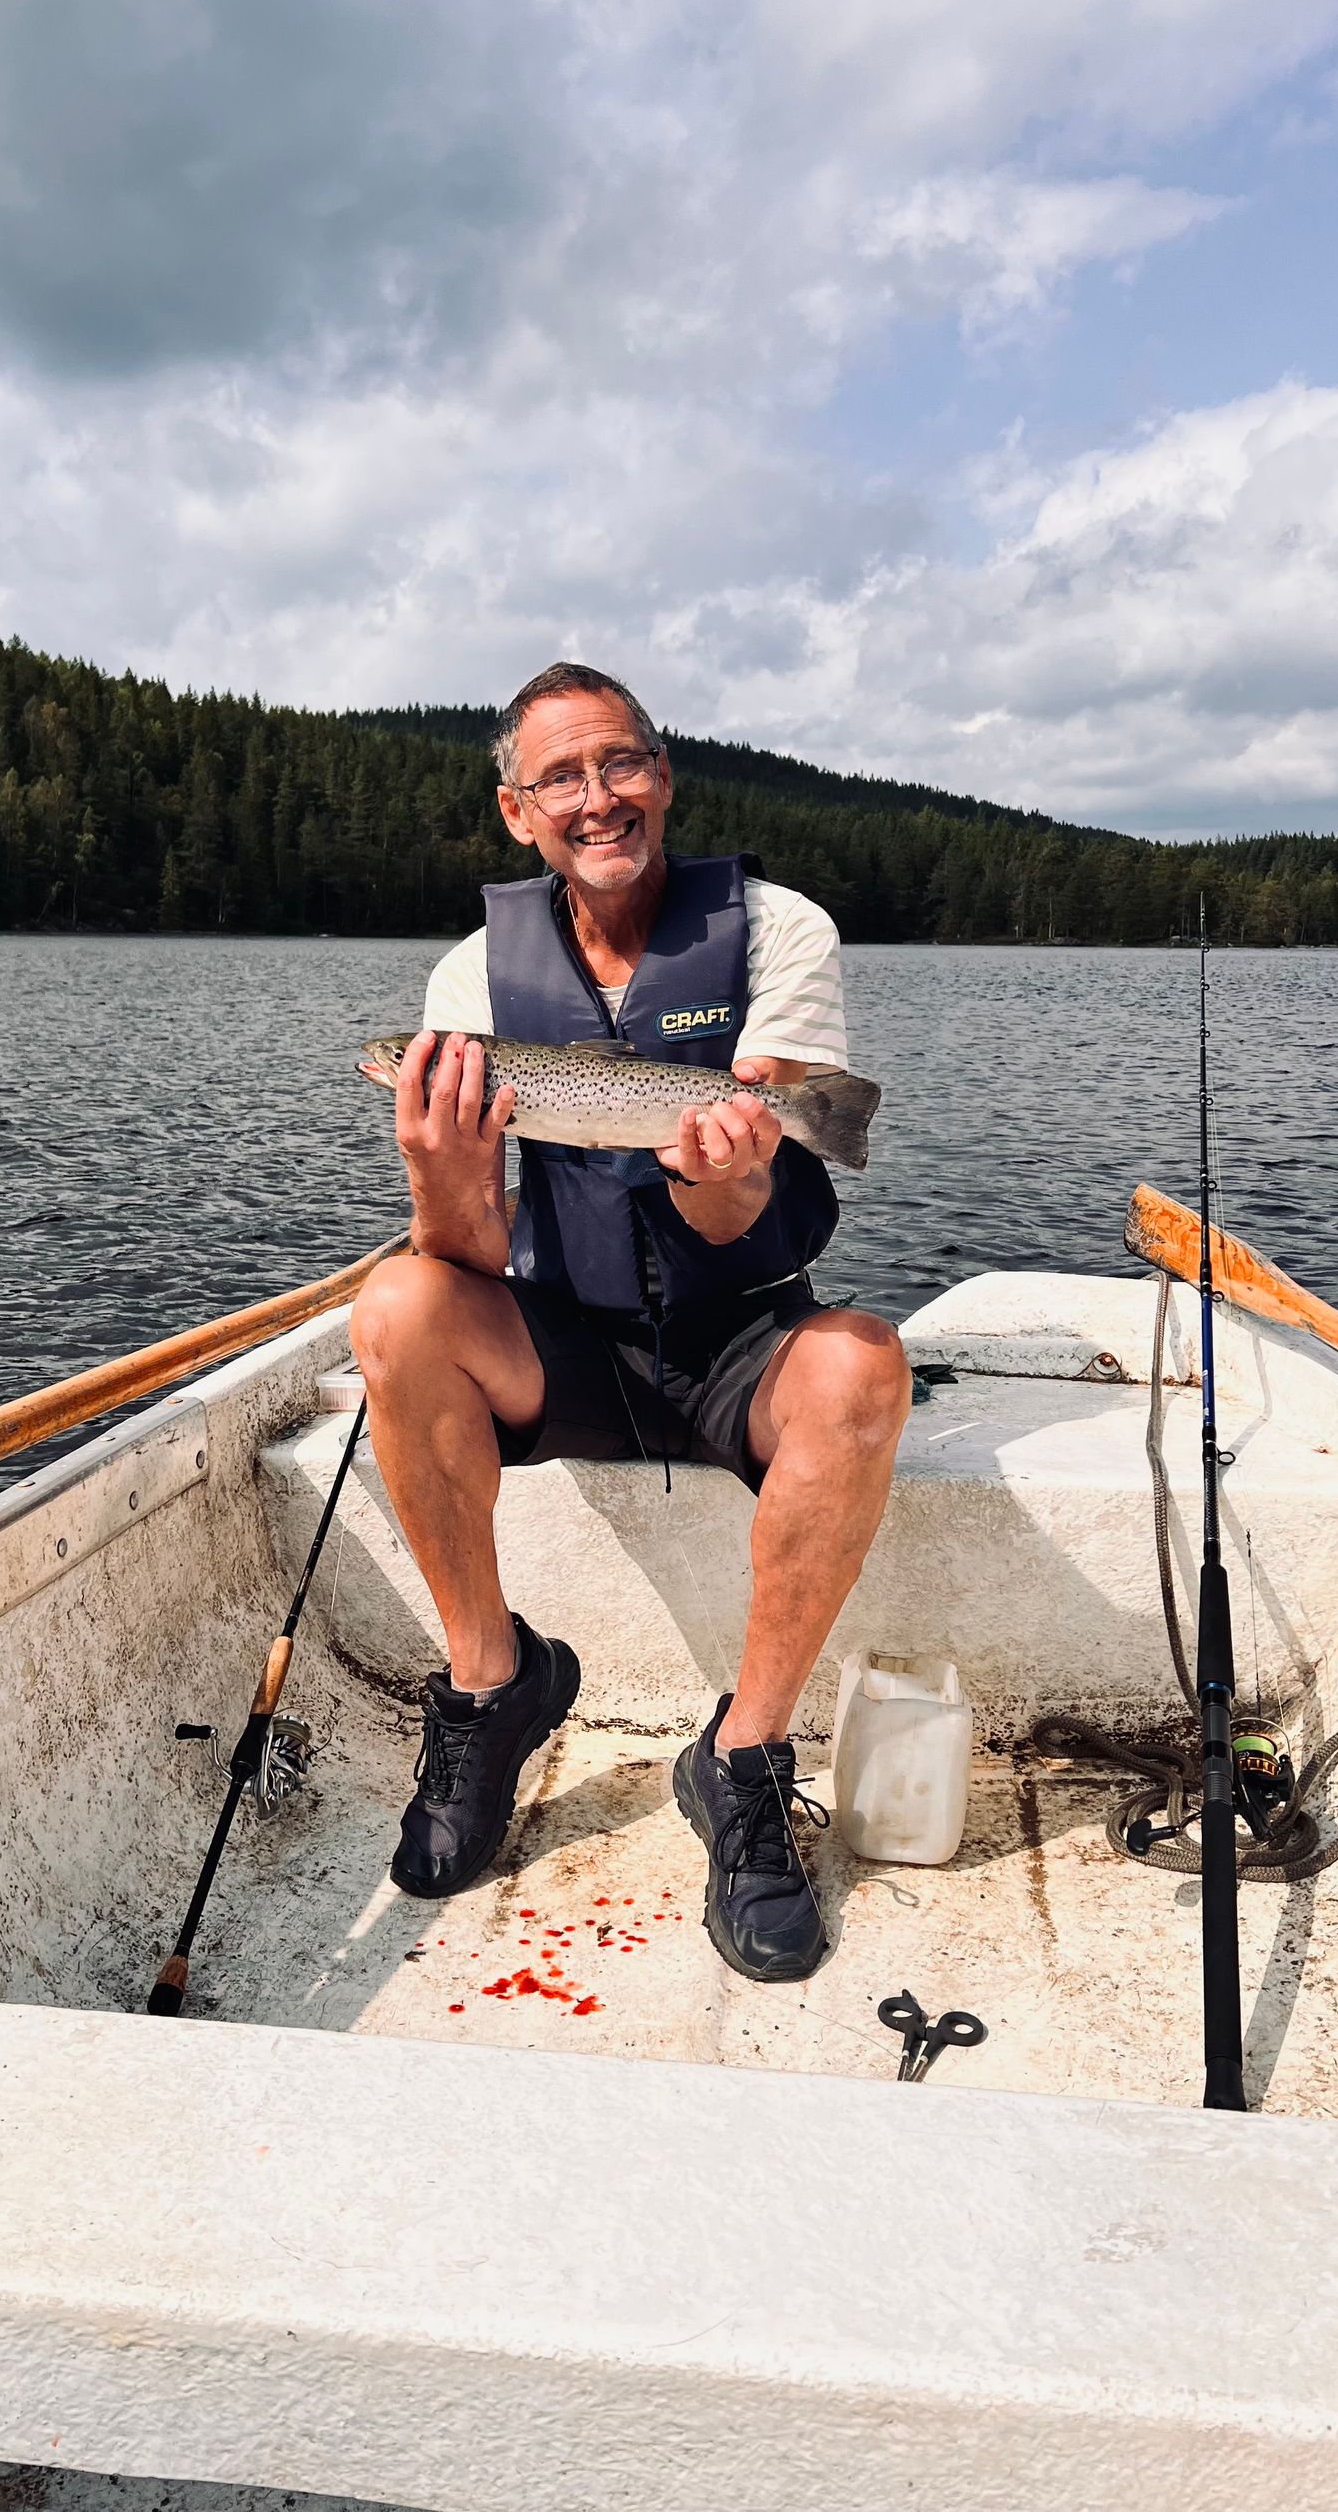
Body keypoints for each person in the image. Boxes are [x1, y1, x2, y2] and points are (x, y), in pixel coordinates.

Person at [351, 662, 911, 1981]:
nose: (597, 798)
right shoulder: (469, 981)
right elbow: (466, 1256)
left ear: (664, 777)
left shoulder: (780, 932)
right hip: (562, 1334)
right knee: (398, 1300)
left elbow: (748, 1219)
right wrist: (438, 1167)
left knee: (864, 1366)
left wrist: (727, 1170)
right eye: (561, 777)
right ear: (516, 813)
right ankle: (493, 1685)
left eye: (621, 763)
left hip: (742, 1333)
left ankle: (742, 1757)